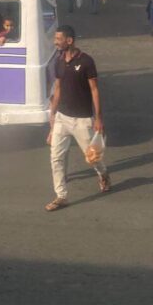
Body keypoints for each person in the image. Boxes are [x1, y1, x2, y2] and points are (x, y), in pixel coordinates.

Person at [45, 25, 110, 211]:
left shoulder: (87, 62)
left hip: (82, 120)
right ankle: (61, 196)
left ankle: (103, 173)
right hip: (62, 118)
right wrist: (53, 113)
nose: (55, 42)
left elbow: (94, 90)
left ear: (69, 41)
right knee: (55, 157)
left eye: (58, 39)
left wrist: (98, 119)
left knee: (92, 158)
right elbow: (57, 89)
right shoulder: (58, 62)